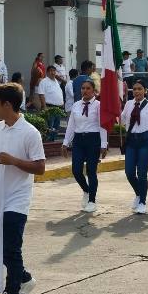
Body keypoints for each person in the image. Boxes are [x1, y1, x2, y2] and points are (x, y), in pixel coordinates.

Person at [0, 83, 45, 294]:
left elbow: (40, 167)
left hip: (16, 200)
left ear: (8, 105)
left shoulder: (30, 133)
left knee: (11, 247)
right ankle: (25, 278)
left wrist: (13, 160)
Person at [62, 79, 108, 213]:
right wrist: (65, 142)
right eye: (83, 88)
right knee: (76, 170)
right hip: (78, 140)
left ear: (94, 91)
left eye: (88, 88)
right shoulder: (76, 105)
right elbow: (71, 125)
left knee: (91, 171)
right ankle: (86, 191)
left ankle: (92, 201)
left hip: (93, 139)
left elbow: (102, 125)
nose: (85, 91)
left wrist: (104, 144)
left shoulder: (99, 105)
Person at [121, 81, 148, 214]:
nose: (137, 91)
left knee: (142, 173)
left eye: (139, 89)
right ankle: (138, 193)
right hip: (131, 141)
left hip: (145, 141)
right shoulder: (129, 104)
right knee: (129, 172)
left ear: (145, 90)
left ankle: (143, 201)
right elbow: (123, 118)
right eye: (135, 89)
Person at [38, 65, 65, 141]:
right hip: (49, 107)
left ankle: (53, 141)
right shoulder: (44, 81)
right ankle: (47, 142)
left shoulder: (56, 81)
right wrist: (44, 107)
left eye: (54, 71)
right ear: (47, 72)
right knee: (49, 126)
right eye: (51, 71)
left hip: (58, 108)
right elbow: (41, 94)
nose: (53, 73)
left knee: (56, 126)